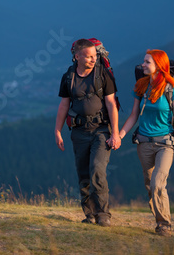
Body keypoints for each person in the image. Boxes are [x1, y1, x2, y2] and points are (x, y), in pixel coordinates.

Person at [119, 49, 174, 237]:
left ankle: (164, 225)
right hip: (144, 145)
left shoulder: (172, 88)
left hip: (165, 144)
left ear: (159, 65)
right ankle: (160, 218)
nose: (143, 65)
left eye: (147, 62)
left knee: (158, 183)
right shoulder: (140, 86)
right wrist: (120, 135)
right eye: (144, 61)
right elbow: (134, 115)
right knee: (150, 185)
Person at [54, 38, 121, 227]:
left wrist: (115, 134)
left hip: (101, 131)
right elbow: (64, 105)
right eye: (89, 56)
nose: (93, 59)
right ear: (77, 56)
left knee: (97, 170)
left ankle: (103, 214)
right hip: (79, 132)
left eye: (95, 56)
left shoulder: (103, 75)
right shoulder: (69, 77)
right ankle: (90, 214)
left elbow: (111, 104)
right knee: (83, 173)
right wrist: (57, 130)